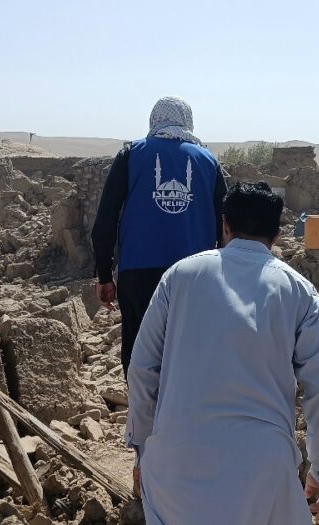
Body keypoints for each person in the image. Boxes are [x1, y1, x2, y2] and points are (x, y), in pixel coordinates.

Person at [126, 182, 319, 524]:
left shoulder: (179, 276)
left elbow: (142, 369)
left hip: (176, 464)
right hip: (263, 471)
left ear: (225, 224)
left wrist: (141, 449)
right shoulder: (299, 291)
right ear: (276, 235)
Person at [91, 96, 227, 377]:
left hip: (139, 274)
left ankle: (144, 417)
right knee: (189, 354)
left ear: (154, 120)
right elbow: (225, 226)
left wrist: (104, 274)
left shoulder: (131, 154)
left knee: (141, 355)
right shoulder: (208, 161)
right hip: (197, 276)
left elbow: (105, 220)